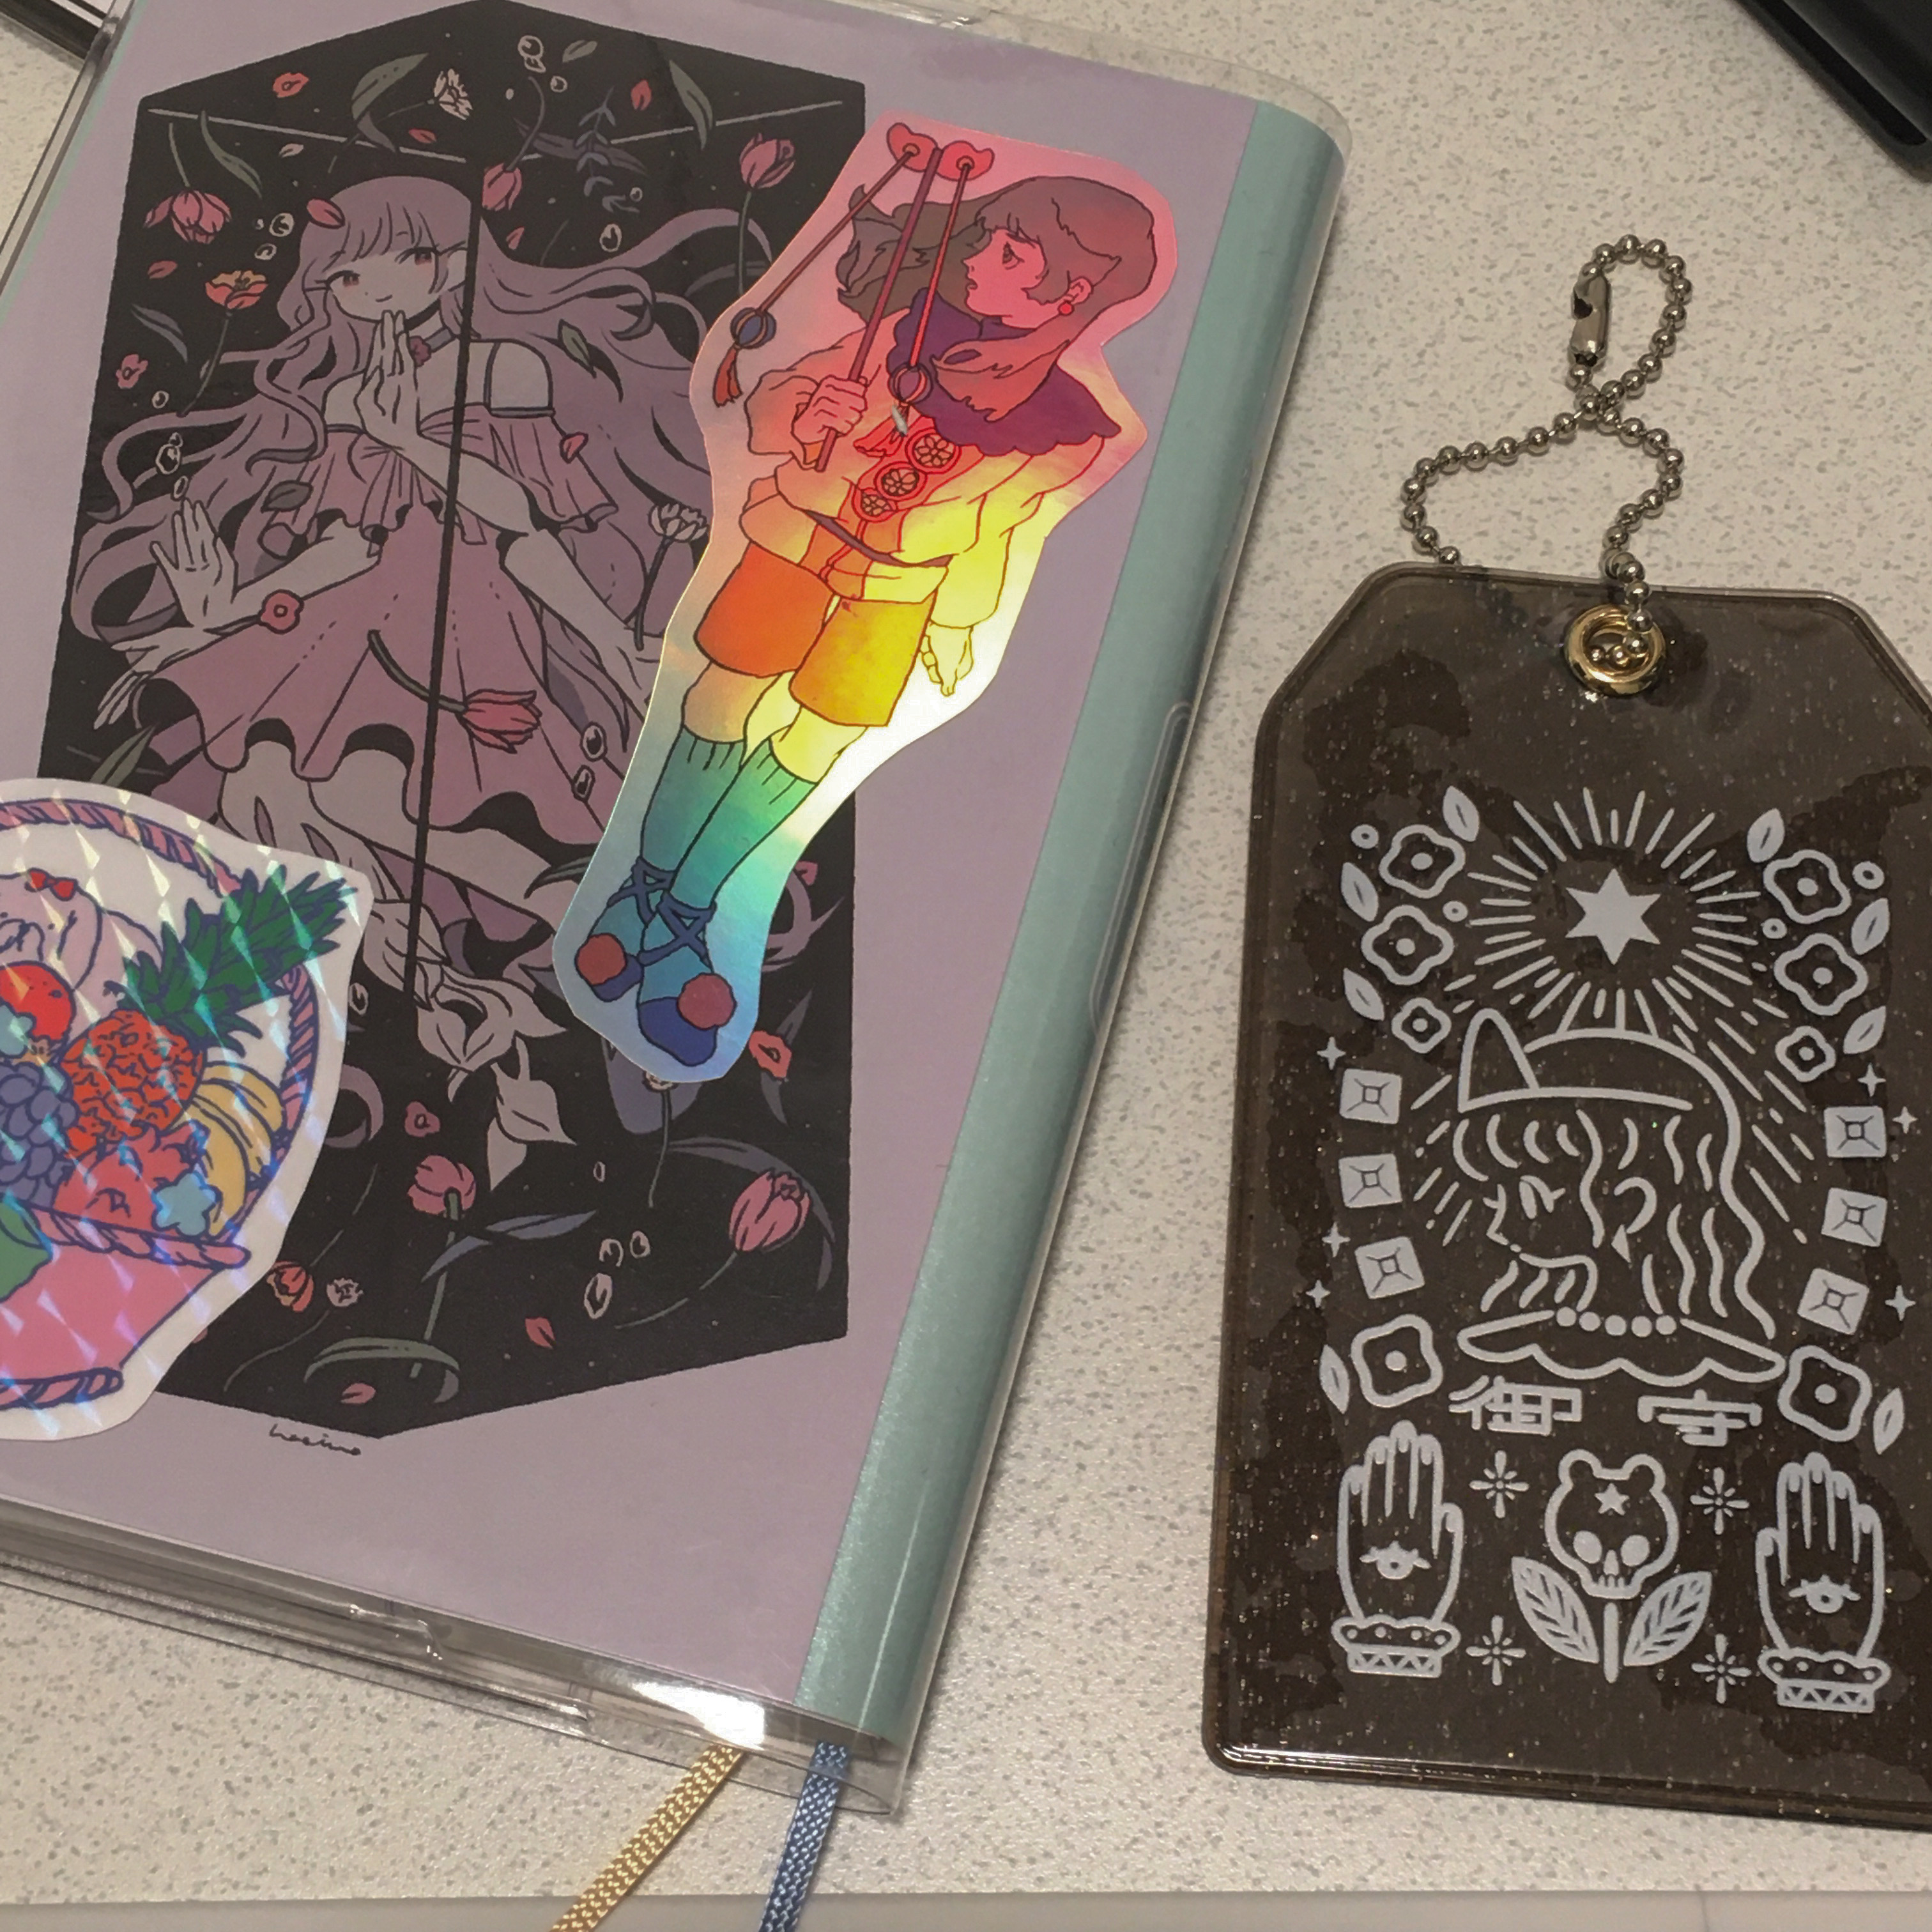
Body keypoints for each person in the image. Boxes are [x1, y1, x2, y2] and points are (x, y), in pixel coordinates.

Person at [576, 171, 1160, 1065]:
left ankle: (687, 913)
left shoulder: (1073, 427)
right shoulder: (907, 326)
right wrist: (813, 411)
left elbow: (993, 534)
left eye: (1009, 252)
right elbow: (771, 411)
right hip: (790, 540)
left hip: (895, 593)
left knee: (816, 746)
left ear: (1071, 292)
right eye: (986, 237)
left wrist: (957, 625)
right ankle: (643, 894)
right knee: (718, 706)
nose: (977, 256)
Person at [72, 174, 710, 955]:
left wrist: (608, 640)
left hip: (471, 608)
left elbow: (520, 517)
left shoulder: (503, 368)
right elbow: (351, 543)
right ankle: (513, 934)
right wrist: (223, 613)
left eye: (395, 259)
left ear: (451, 264)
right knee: (290, 790)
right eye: (344, 275)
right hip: (355, 612)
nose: (367, 287)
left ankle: (583, 910)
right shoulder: (346, 400)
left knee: (360, 792)